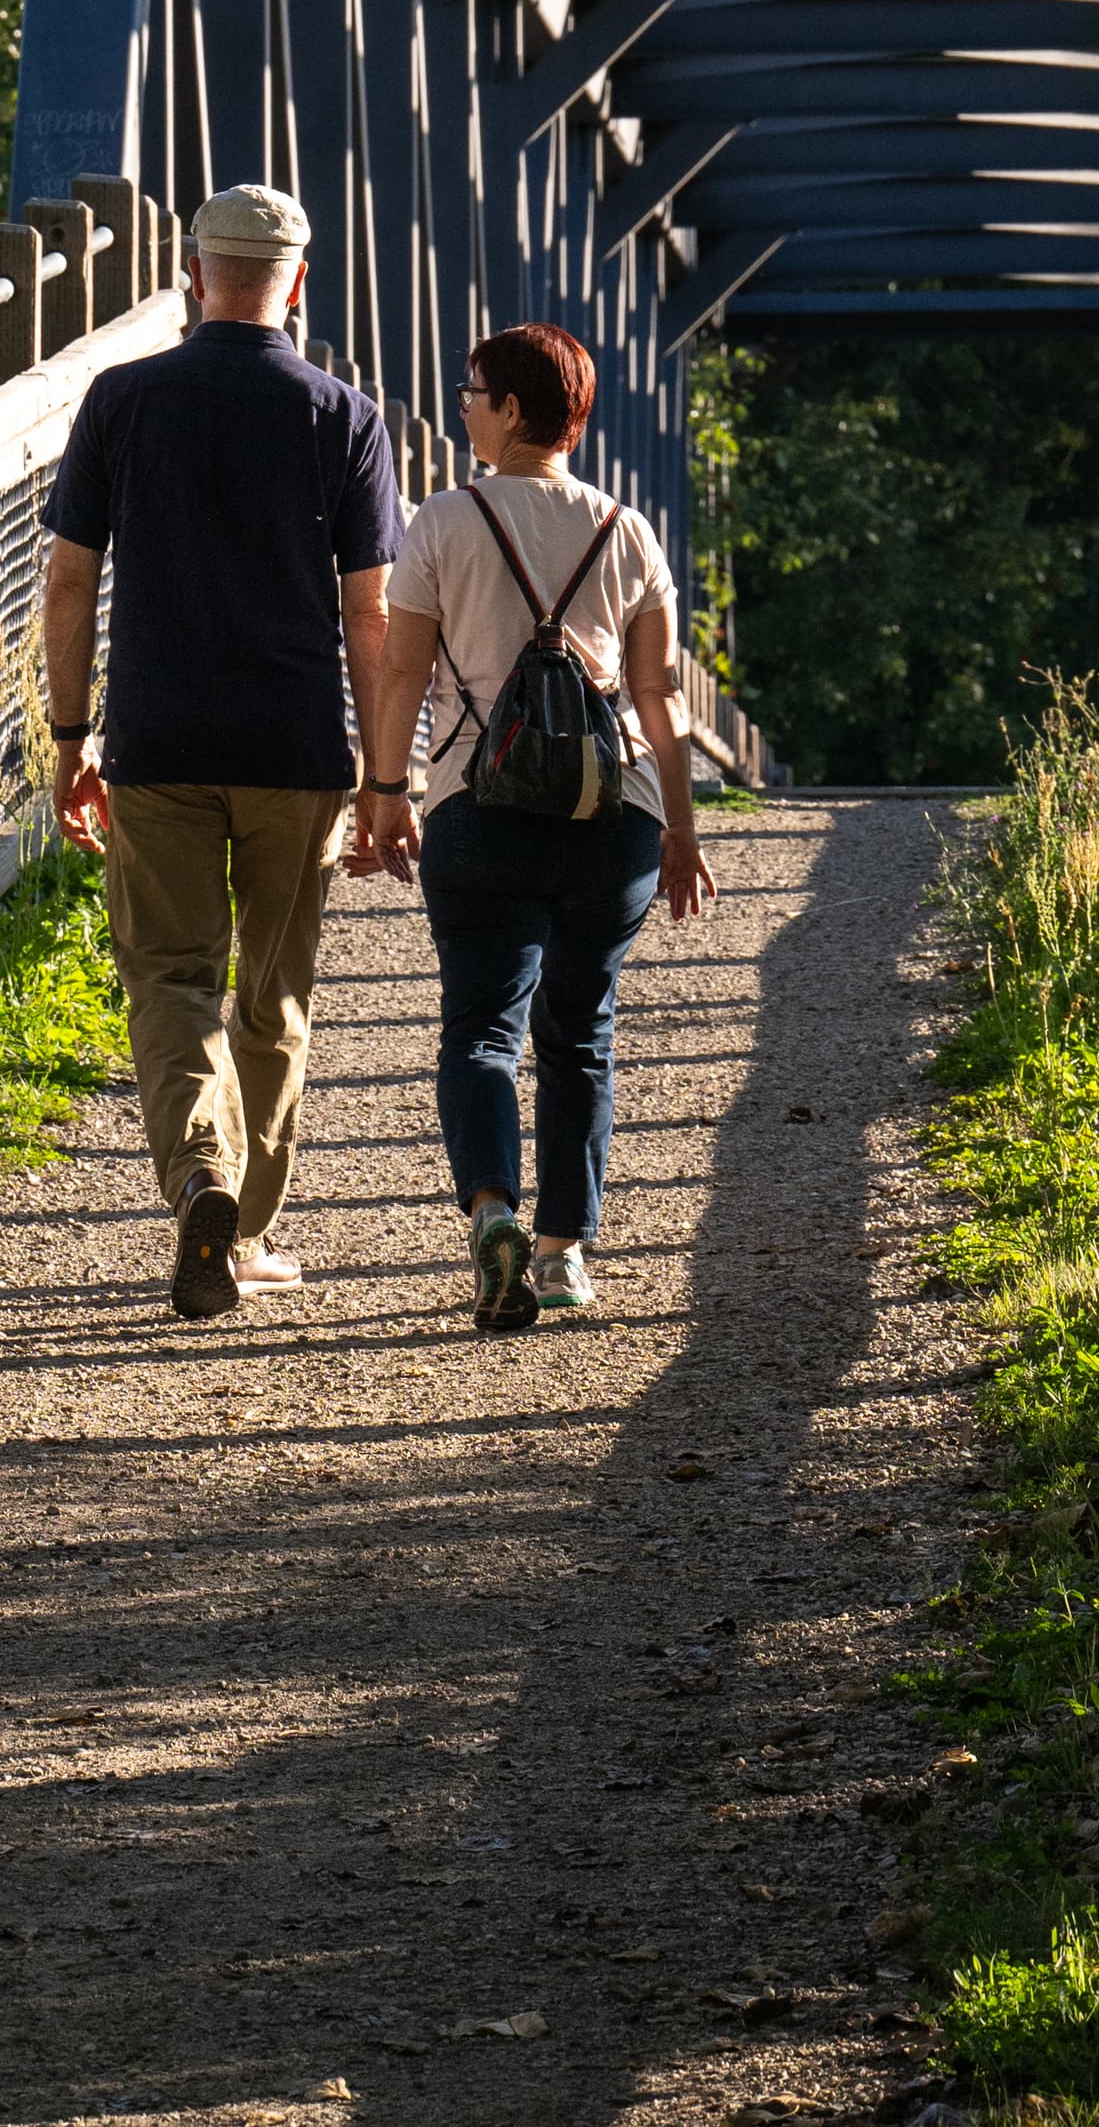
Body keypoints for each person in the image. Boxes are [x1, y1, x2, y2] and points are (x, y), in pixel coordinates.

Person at [41, 181, 403, 1319]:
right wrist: (383, 771)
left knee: (171, 975)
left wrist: (68, 735)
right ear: (298, 282)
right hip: (296, 747)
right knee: (273, 992)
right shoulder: (344, 416)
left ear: (193, 274)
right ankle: (243, 1233)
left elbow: (67, 577)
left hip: (157, 738)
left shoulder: (121, 398)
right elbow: (371, 616)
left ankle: (200, 1169)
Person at [353, 321, 707, 1332]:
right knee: (580, 1032)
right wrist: (678, 830)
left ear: (511, 410)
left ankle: (494, 1211)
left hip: (479, 809)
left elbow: (403, 673)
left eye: (471, 391)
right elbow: (658, 700)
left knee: (480, 1028)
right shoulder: (626, 531)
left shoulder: (443, 524)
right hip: (614, 819)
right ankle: (563, 1256)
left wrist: (385, 793)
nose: (461, 404)